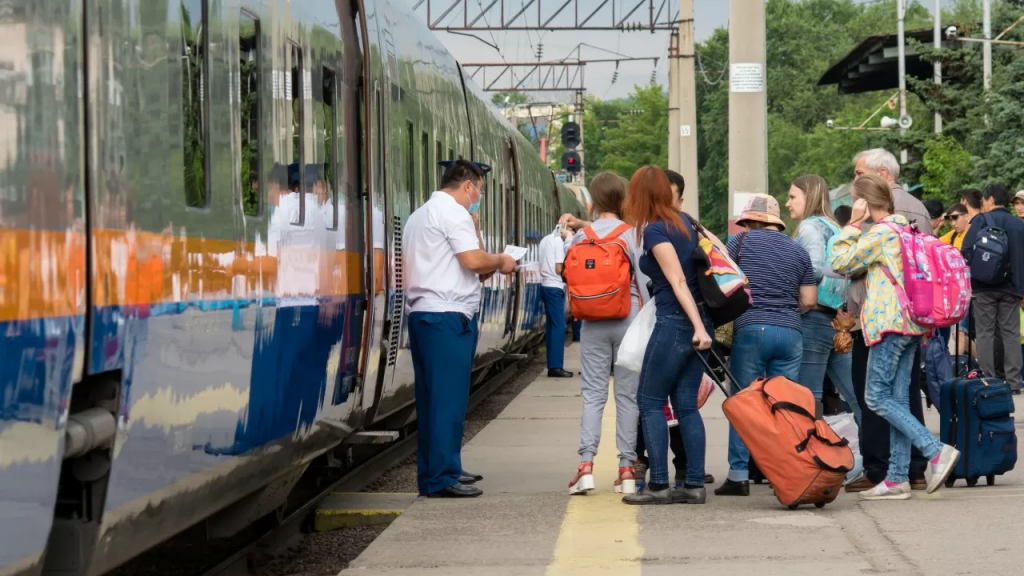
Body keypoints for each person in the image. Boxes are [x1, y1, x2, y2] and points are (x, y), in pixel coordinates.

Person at [831, 175, 960, 500]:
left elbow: (840, 262)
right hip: (913, 323)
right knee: (899, 398)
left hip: (889, 324)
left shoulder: (882, 233)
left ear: (865, 201)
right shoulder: (905, 229)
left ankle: (935, 450)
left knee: (875, 397)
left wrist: (852, 223)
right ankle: (897, 478)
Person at [403, 160, 518, 498]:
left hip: (425, 316)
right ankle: (441, 477)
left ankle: (440, 469)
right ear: (468, 185)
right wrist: (501, 260)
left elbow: (470, 266)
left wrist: (477, 232)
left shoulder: (419, 215)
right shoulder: (453, 213)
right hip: (447, 318)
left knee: (432, 401)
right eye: (479, 190)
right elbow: (475, 262)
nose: (478, 197)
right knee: (448, 401)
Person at [620, 166, 713, 505]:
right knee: (686, 404)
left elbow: (677, 281)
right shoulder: (686, 222)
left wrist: (697, 328)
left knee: (649, 400)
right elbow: (719, 253)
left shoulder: (657, 231)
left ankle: (659, 484)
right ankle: (692, 484)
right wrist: (702, 323)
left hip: (676, 320)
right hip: (696, 316)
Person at [715, 193, 817, 497]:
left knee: (745, 403)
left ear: (749, 221)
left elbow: (722, 284)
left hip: (751, 330)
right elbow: (810, 300)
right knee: (785, 406)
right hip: (791, 333)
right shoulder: (798, 251)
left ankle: (738, 475)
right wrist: (784, 311)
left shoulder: (739, 244)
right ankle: (784, 473)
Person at [844, 149, 932, 493]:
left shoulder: (873, 210)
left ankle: (884, 465)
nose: (855, 179)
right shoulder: (919, 209)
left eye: (859, 172)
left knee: (874, 395)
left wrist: (852, 225)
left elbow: (850, 262)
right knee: (905, 390)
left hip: (879, 316)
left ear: (881, 173)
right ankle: (911, 469)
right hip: (914, 313)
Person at [559, 173, 647, 495]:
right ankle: (626, 470)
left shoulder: (582, 238)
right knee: (627, 396)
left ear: (593, 204)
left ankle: (585, 466)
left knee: (594, 395)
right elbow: (643, 281)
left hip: (592, 323)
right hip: (629, 320)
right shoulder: (632, 236)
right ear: (623, 201)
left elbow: (568, 277)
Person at [786, 175, 861, 425]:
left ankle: (811, 452)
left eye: (793, 196)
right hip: (836, 318)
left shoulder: (809, 227)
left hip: (813, 316)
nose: (788, 203)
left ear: (809, 197)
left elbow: (813, 271)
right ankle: (876, 451)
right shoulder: (834, 226)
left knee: (810, 395)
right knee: (854, 394)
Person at [960, 183, 1024, 393]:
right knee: (1011, 334)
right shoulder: (1018, 224)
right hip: (1012, 288)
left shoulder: (981, 220)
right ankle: (1014, 383)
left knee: (985, 332)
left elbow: (966, 250)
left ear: (989, 200)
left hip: (983, 286)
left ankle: (989, 380)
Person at [538, 224, 573, 378]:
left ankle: (552, 365)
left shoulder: (545, 240)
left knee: (552, 326)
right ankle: (556, 367)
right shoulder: (559, 241)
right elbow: (559, 268)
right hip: (555, 286)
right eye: (572, 230)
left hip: (545, 286)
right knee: (559, 326)